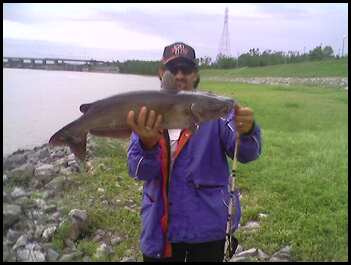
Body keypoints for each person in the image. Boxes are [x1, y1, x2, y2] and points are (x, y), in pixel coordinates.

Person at [126, 42, 262, 262]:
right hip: (160, 232)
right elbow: (137, 170)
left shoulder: (216, 112)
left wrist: (247, 132)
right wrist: (148, 145)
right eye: (173, 69)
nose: (180, 75)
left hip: (207, 232)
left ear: (195, 75)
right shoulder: (148, 114)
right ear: (162, 74)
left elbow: (247, 153)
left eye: (186, 69)